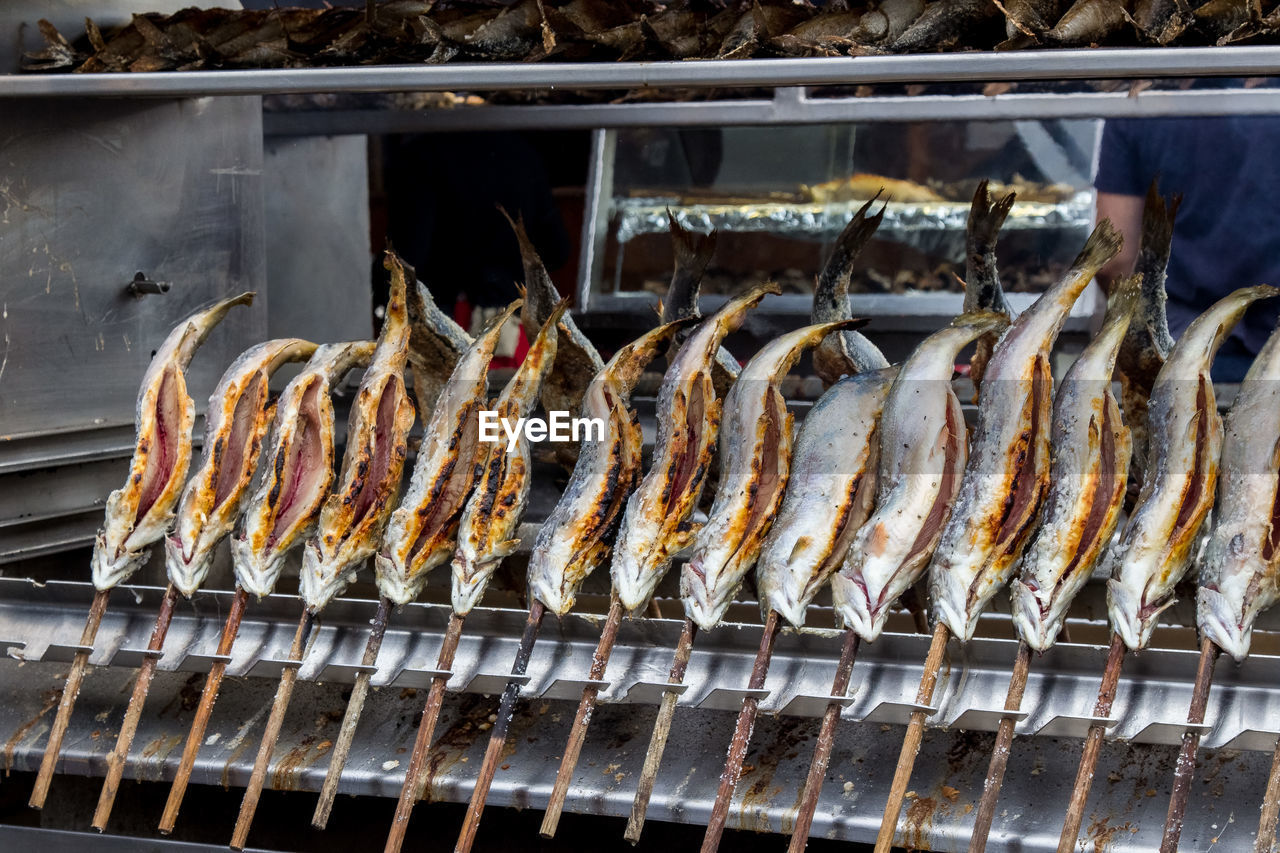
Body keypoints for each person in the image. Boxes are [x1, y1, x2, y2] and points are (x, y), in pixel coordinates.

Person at [1094, 108, 1280, 382]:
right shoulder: (1267, 98)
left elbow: (1114, 261)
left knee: (1177, 422)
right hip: (1272, 334)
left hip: (1178, 341)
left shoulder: (1141, 105)